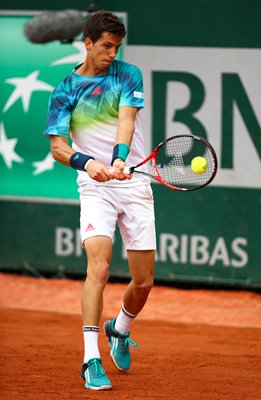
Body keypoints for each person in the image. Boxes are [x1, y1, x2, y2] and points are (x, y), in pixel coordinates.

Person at [44, 11, 156, 391]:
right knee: (100, 268)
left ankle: (119, 328)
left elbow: (126, 120)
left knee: (143, 282)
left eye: (116, 47)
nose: (112, 54)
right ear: (88, 43)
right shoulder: (64, 91)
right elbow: (58, 147)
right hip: (95, 188)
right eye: (106, 46)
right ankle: (91, 358)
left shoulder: (128, 74)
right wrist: (88, 163)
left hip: (134, 183)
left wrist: (121, 157)